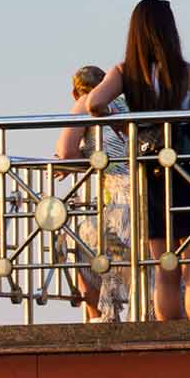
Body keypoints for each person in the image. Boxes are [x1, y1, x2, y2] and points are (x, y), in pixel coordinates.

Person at [82, 0, 190, 321]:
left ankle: (168, 336)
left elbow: (94, 103)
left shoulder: (125, 72)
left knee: (164, 268)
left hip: (151, 173)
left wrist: (124, 125)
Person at [54, 65, 133, 322]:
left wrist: (76, 159)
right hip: (150, 197)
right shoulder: (126, 105)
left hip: (121, 204)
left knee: (77, 240)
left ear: (73, 93)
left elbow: (65, 153)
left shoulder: (85, 103)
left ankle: (98, 316)